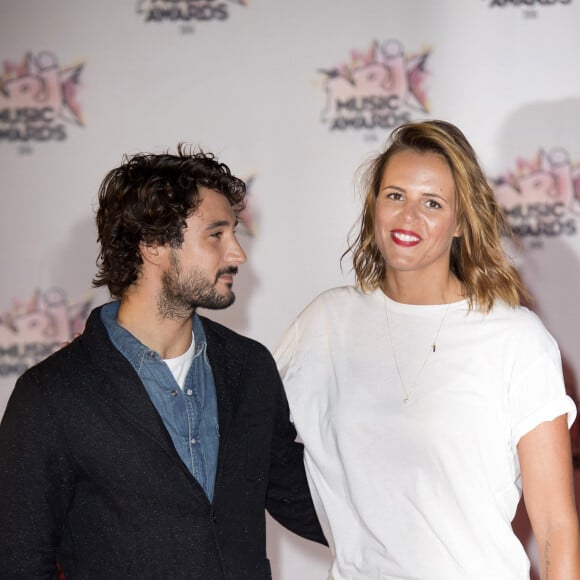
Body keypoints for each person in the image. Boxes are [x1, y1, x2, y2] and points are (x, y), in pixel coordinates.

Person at [0, 145, 325, 579]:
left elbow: (304, 499)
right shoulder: (52, 395)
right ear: (153, 243)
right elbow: (18, 560)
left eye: (235, 234)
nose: (237, 254)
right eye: (216, 234)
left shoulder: (249, 368)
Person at [274, 120, 580, 579]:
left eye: (432, 203)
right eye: (395, 195)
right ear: (374, 204)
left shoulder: (515, 338)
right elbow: (251, 448)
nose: (408, 217)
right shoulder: (325, 324)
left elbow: (555, 526)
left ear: (460, 222)